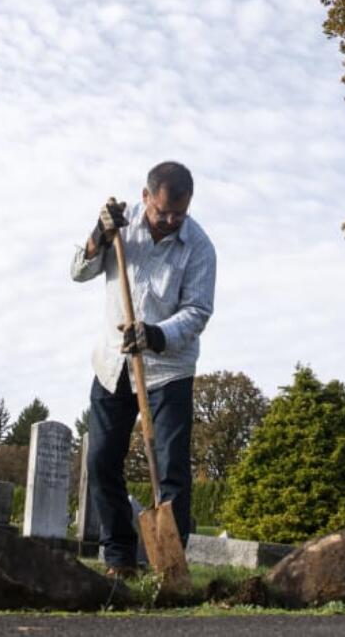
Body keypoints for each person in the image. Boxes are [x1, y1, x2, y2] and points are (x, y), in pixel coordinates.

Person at [71, 161, 216, 577]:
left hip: (167, 369)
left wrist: (154, 335)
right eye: (162, 212)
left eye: (179, 215)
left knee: (170, 470)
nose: (171, 221)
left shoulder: (199, 247)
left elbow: (198, 310)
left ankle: (170, 566)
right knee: (100, 461)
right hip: (114, 363)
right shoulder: (119, 225)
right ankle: (119, 559)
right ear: (145, 196)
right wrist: (98, 237)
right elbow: (78, 272)